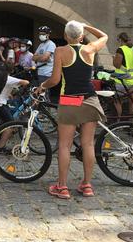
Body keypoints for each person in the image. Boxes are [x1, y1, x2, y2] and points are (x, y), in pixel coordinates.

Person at [36, 21, 108, 199]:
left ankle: (62, 187)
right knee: (88, 144)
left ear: (66, 36)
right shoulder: (89, 49)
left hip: (70, 99)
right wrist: (86, 26)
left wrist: (42, 86)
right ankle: (87, 185)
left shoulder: (61, 51)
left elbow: (54, 80)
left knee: (64, 145)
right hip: (90, 99)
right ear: (82, 36)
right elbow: (104, 36)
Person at [112, 32, 133, 117]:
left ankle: (117, 122)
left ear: (120, 40)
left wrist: (114, 59)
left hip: (124, 80)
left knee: (117, 100)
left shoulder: (121, 49)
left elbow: (117, 65)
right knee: (132, 102)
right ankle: (131, 125)